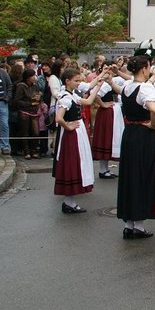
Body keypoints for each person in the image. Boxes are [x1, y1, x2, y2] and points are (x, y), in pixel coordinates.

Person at [116, 56, 155, 239]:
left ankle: (129, 224)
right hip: (144, 135)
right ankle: (138, 224)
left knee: (130, 176)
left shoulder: (128, 86)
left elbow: (140, 88)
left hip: (129, 134)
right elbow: (154, 109)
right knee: (143, 176)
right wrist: (154, 125)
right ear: (145, 68)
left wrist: (154, 77)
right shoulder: (144, 88)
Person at [52, 68, 105, 213]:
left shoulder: (72, 95)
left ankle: (70, 202)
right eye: (76, 81)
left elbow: (88, 101)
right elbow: (58, 118)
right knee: (72, 164)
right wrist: (67, 127)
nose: (78, 83)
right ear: (67, 81)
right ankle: (69, 202)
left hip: (77, 133)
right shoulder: (66, 97)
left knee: (77, 163)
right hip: (71, 135)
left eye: (79, 80)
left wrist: (98, 86)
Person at [12, 69, 44, 159]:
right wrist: (29, 103)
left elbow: (40, 97)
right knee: (24, 132)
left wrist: (39, 98)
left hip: (34, 112)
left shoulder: (35, 86)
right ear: (27, 77)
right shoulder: (21, 86)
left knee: (36, 132)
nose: (34, 78)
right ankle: (26, 151)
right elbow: (17, 100)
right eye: (32, 76)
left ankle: (34, 150)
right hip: (24, 111)